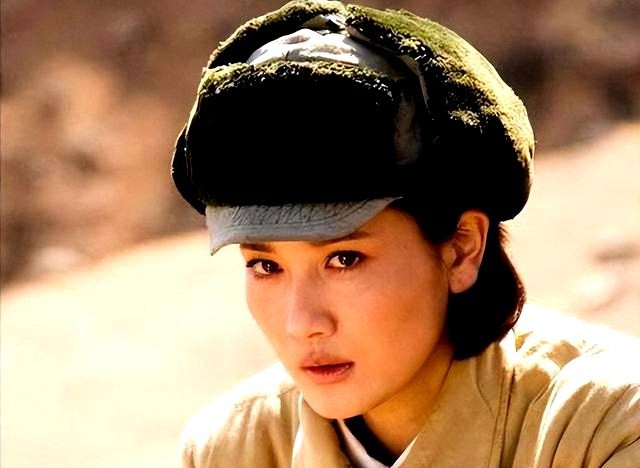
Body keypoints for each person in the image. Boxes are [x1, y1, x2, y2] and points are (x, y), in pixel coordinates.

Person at [170, 1, 640, 467]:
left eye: (344, 259)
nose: (301, 323)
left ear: (461, 248)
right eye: (265, 266)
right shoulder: (230, 450)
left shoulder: (605, 426)